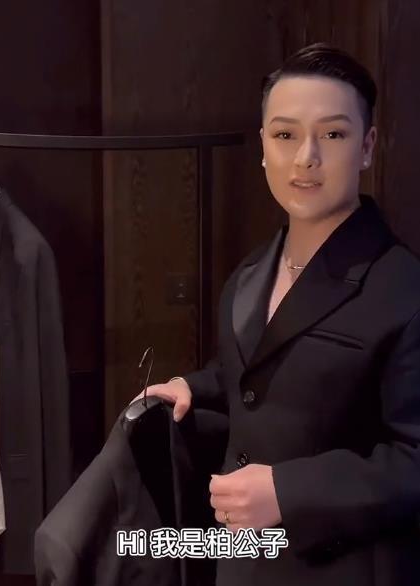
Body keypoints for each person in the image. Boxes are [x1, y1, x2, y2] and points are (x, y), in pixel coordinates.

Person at [130, 42, 420, 585]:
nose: (306, 157)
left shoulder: (404, 289)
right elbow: (254, 374)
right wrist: (193, 386)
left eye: (333, 135)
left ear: (367, 147)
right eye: (286, 135)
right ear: (263, 146)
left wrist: (289, 492)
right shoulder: (250, 273)